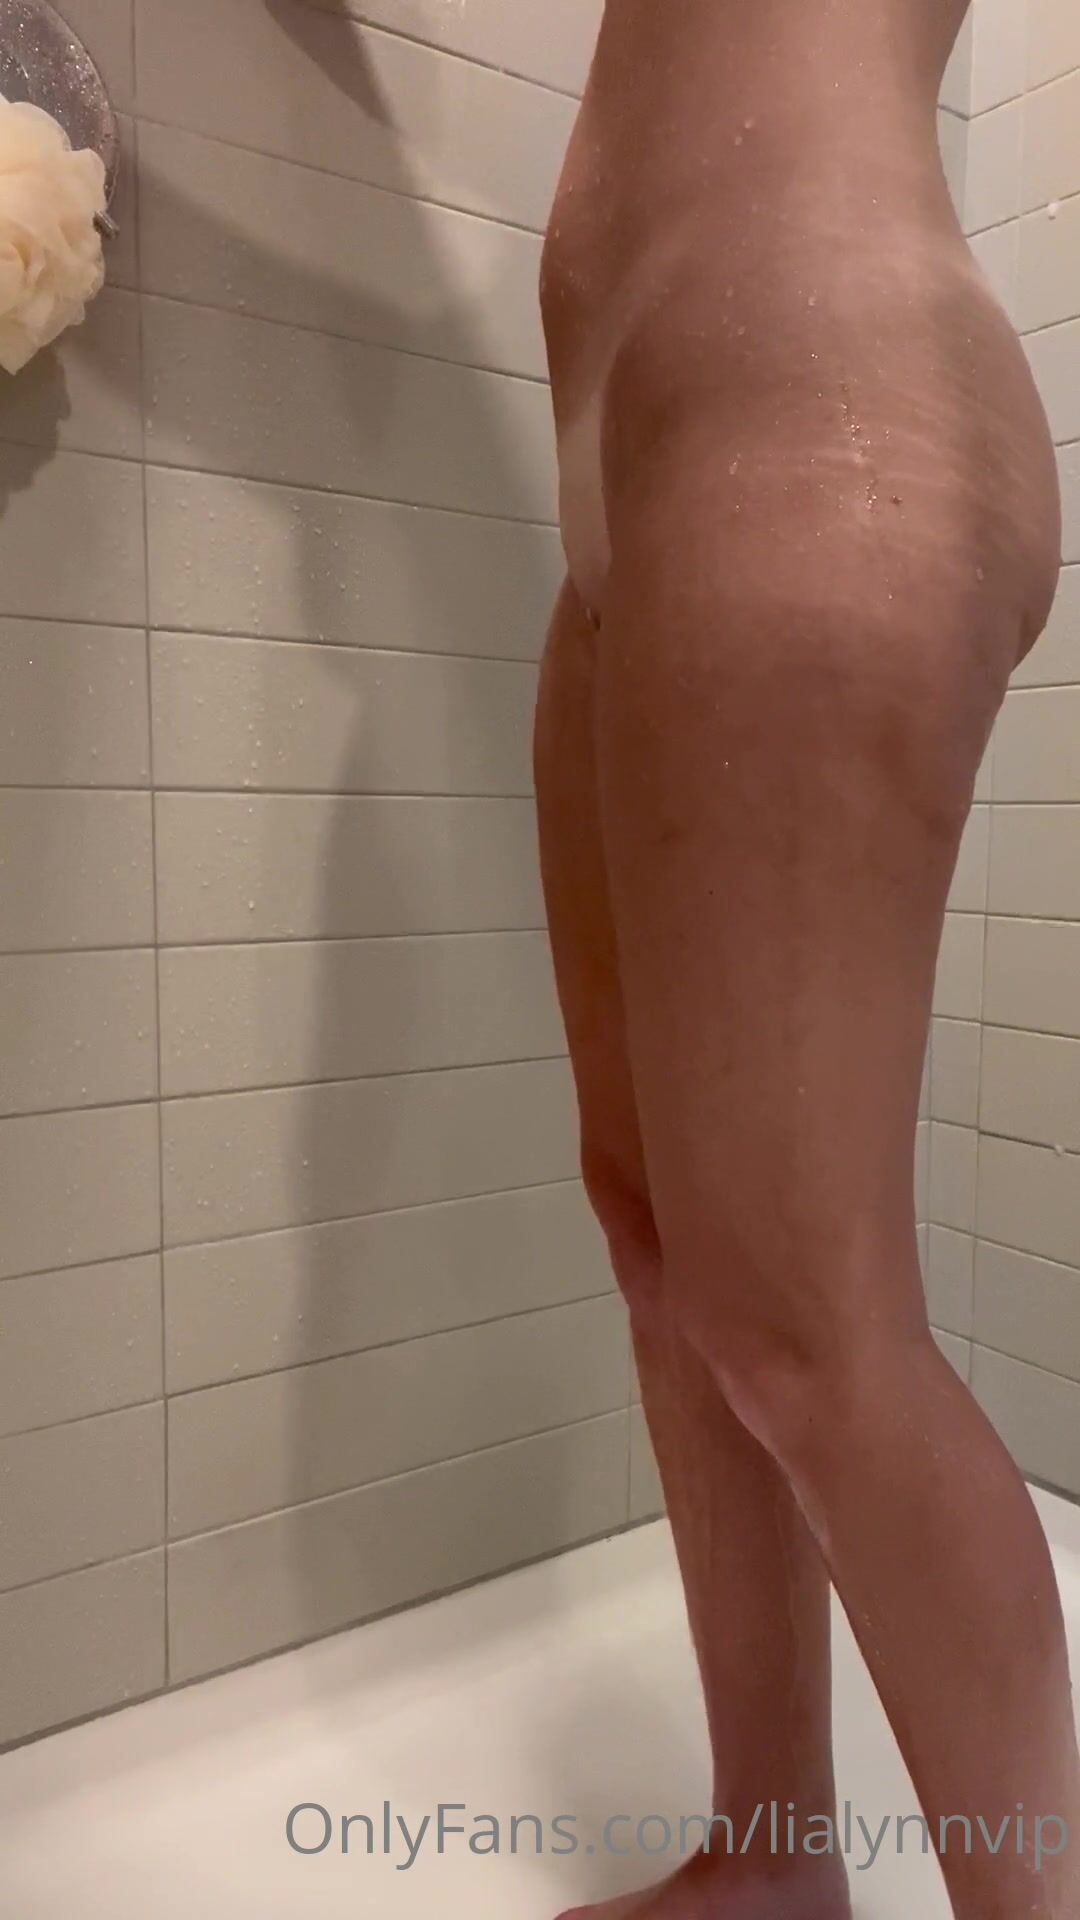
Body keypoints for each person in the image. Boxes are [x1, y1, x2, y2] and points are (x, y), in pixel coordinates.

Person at [533, 4, 1080, 1917]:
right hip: (636, 441)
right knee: (661, 1234)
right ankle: (768, 1863)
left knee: (803, 1317)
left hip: (808, 365)